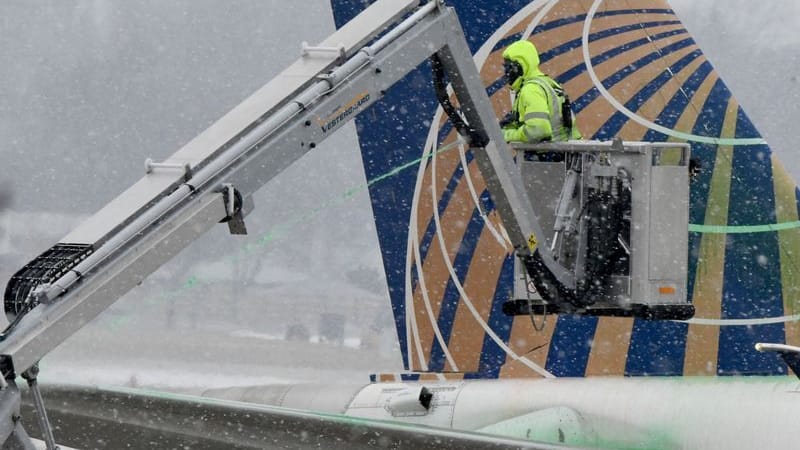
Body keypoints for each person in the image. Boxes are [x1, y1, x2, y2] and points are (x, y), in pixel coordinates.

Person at [500, 39, 581, 144]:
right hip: (565, 152)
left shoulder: (531, 89)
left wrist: (508, 135)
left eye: (509, 67)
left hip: (549, 156)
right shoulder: (546, 83)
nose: (506, 73)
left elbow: (538, 130)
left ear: (521, 66)